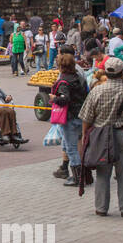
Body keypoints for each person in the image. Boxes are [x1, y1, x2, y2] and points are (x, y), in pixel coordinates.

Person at [79, 56, 123, 217]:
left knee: (102, 173)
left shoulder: (96, 91)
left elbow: (86, 117)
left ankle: (101, 208)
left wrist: (85, 134)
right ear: (122, 73)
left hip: (101, 135)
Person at [50, 52, 88, 187]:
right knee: (77, 145)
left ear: (61, 66)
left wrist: (55, 99)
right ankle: (86, 175)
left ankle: (78, 177)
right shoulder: (79, 78)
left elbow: (65, 99)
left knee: (71, 148)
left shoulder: (63, 81)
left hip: (70, 117)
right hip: (81, 115)